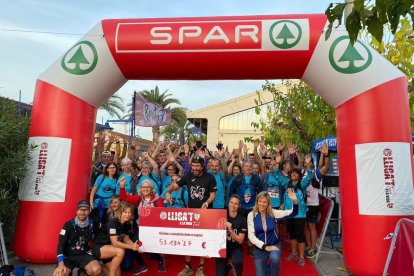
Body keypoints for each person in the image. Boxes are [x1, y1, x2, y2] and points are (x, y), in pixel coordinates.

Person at [165, 155, 217, 276]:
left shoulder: (210, 177)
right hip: (191, 213)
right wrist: (168, 192)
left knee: (203, 240)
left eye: (197, 166)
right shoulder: (187, 176)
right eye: (193, 165)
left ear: (202, 166)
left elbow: (213, 195)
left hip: (206, 213)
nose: (194, 168)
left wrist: (206, 203)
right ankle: (188, 267)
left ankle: (201, 267)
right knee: (188, 239)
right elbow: (174, 186)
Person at [119, 178, 166, 273]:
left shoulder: (158, 200)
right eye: (143, 187)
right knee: (134, 246)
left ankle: (160, 260)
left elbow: (162, 216)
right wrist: (122, 186)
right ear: (140, 188)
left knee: (150, 253)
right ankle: (142, 265)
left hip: (153, 229)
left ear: (151, 188)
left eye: (147, 187)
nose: (145, 189)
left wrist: (153, 212)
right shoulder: (139, 198)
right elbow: (125, 198)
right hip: (140, 227)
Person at [248, 191, 299, 276]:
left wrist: (295, 201)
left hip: (274, 244)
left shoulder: (273, 213)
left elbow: (292, 213)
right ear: (257, 202)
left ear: (268, 203)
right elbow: (251, 236)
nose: (262, 204)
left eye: (265, 202)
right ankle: (266, 268)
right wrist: (265, 247)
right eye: (260, 201)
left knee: (275, 258)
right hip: (259, 249)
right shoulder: (251, 215)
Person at [92, 203, 142, 276]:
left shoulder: (127, 224)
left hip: (112, 250)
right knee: (120, 251)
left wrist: (136, 247)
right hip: (100, 247)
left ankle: (101, 267)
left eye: (129, 213)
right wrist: (131, 247)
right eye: (125, 212)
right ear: (120, 212)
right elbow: (115, 242)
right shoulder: (113, 222)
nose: (127, 215)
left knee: (118, 274)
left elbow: (126, 239)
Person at [53, 200, 101, 276]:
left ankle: (82, 272)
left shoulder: (93, 223)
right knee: (59, 274)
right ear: (77, 211)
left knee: (96, 270)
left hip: (84, 254)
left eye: (85, 210)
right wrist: (61, 264)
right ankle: (69, 272)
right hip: (69, 255)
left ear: (89, 211)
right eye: (80, 210)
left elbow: (101, 233)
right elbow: (60, 244)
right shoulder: (68, 225)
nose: (82, 212)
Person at [215, 195, 247, 276]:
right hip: (222, 247)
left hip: (235, 247)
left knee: (238, 262)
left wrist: (231, 230)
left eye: (235, 204)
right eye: (231, 202)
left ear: (239, 206)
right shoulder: (221, 215)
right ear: (228, 203)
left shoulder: (242, 220)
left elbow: (240, 241)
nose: (232, 205)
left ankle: (234, 266)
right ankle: (228, 267)